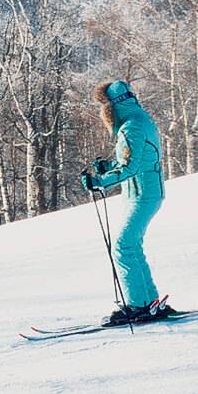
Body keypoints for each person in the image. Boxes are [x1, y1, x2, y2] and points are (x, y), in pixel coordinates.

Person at [81, 79, 172, 325]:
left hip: (143, 195)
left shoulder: (131, 127)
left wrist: (100, 181)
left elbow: (130, 168)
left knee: (123, 247)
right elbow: (137, 160)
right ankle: (149, 302)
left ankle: (137, 305)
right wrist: (108, 167)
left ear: (113, 106)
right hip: (144, 193)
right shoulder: (140, 121)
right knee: (132, 246)